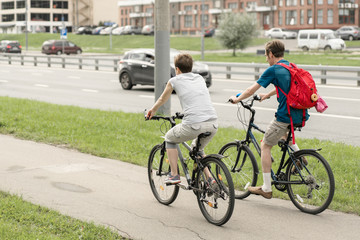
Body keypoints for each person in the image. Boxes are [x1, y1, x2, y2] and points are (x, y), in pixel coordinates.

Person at [229, 40, 309, 199]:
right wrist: (267, 95)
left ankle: (266, 187)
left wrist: (237, 99)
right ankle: (299, 157)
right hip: (300, 114)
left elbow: (251, 90)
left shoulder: (273, 69)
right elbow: (285, 87)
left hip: (285, 115)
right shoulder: (290, 66)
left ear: (271, 54)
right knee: (284, 135)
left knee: (265, 145)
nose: (266, 58)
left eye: (266, 55)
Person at [146, 53, 218, 184]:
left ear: (177, 69)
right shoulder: (200, 78)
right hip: (213, 123)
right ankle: (210, 178)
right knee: (198, 149)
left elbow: (163, 98)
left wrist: (152, 110)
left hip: (194, 124)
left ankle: (174, 175)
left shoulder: (174, 80)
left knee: (169, 138)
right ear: (191, 67)